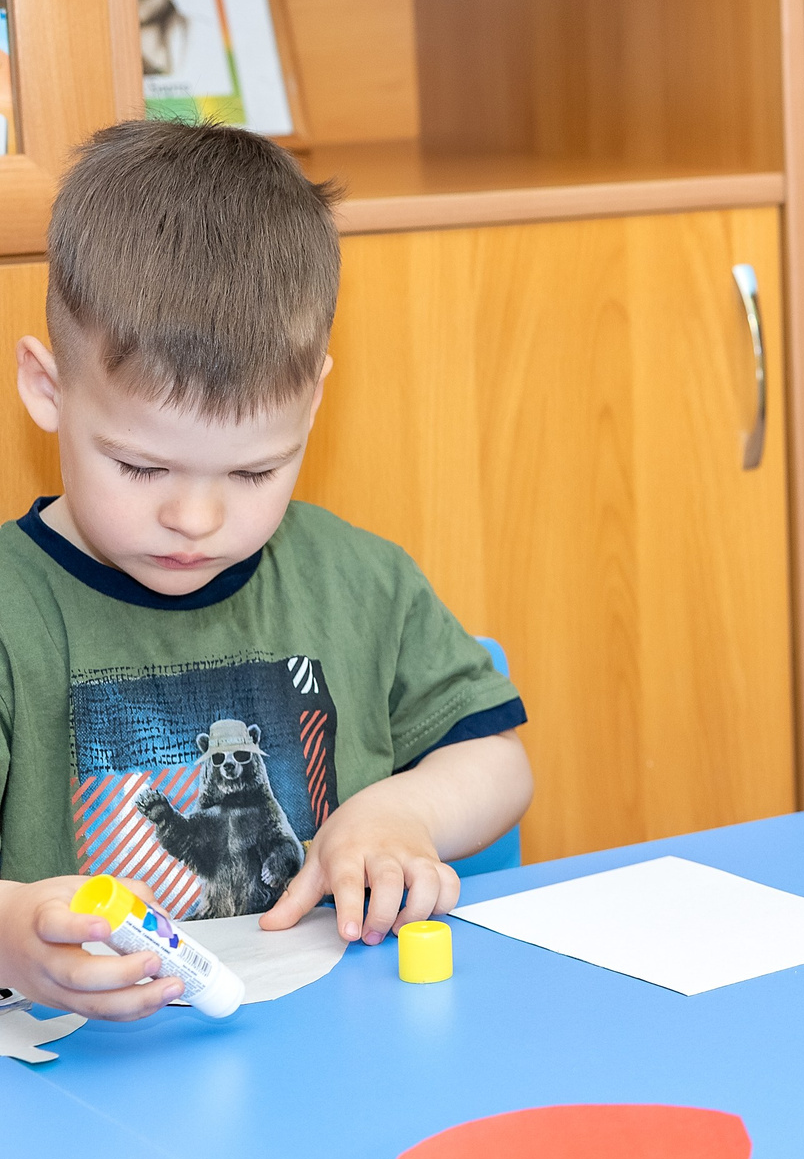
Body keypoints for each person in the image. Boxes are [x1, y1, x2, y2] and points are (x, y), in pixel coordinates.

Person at [0, 120, 533, 1019]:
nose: (196, 518)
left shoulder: (359, 581)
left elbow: (498, 761)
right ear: (48, 390)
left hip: (333, 1041)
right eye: (140, 467)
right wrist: (11, 932)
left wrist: (401, 814)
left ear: (314, 400)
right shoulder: (13, 610)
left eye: (253, 472)